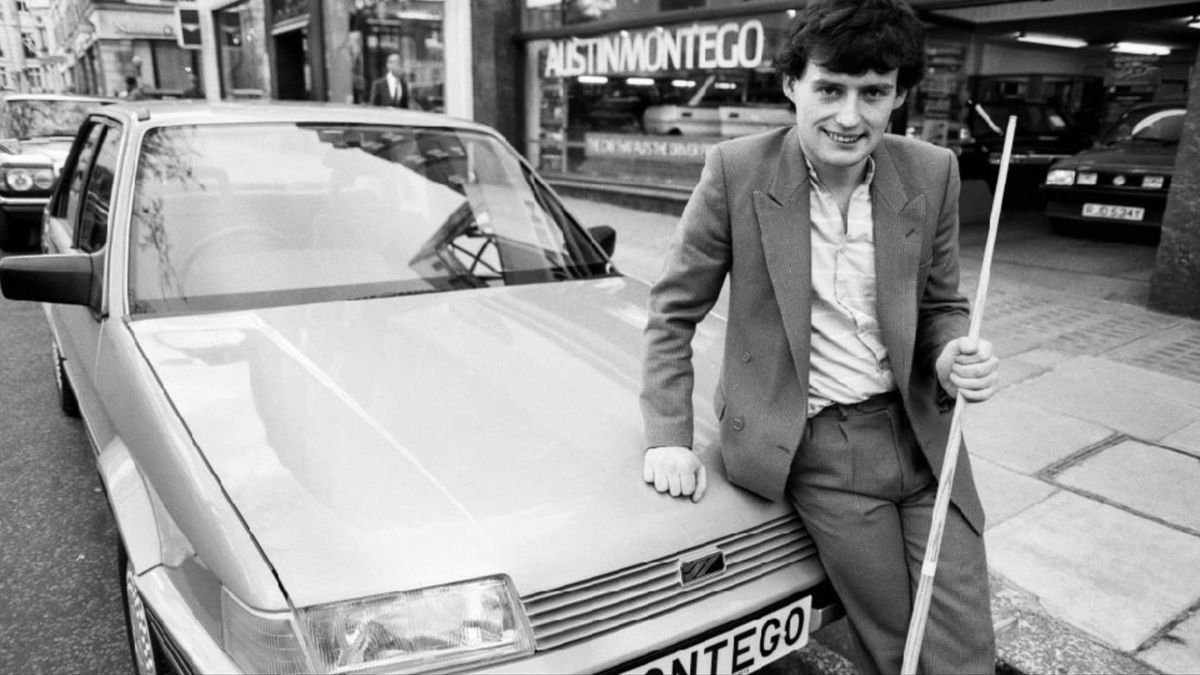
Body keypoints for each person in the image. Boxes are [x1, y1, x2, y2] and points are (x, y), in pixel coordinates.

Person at [638, 1, 1000, 673]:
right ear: (791, 85)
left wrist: (952, 355)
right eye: (830, 89)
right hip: (822, 449)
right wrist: (667, 434)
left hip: (924, 437)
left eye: (874, 93)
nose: (850, 116)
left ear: (898, 94)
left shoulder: (931, 171)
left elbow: (942, 303)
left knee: (965, 650)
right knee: (900, 645)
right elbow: (672, 312)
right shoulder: (737, 171)